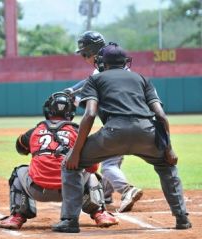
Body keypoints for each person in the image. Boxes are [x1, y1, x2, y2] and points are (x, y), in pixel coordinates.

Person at [53, 43, 192, 233]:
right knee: (167, 166)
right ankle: (182, 218)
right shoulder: (141, 78)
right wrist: (169, 149)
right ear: (125, 62)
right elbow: (161, 115)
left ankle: (69, 221)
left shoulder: (95, 80)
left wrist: (75, 153)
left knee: (70, 165)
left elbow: (90, 114)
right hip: (147, 133)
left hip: (113, 134)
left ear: (102, 62)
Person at [0, 92, 118, 230]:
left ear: (48, 110)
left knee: (19, 172)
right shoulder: (78, 131)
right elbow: (92, 168)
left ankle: (17, 216)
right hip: (70, 190)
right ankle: (100, 213)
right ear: (71, 112)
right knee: (91, 174)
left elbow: (20, 148)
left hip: (37, 190)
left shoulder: (35, 130)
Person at [64, 31, 143, 213]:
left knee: (107, 164)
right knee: (112, 157)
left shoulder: (104, 68)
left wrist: (73, 97)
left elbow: (90, 94)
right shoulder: (114, 63)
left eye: (84, 54)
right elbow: (89, 81)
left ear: (92, 52)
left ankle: (127, 189)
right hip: (140, 122)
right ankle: (106, 194)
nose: (84, 58)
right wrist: (73, 90)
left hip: (119, 123)